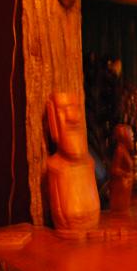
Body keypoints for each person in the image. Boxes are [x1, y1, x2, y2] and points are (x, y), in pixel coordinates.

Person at [46, 93, 100, 231]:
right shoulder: (55, 166)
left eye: (77, 109)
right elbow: (59, 212)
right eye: (63, 110)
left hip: (92, 228)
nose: (73, 117)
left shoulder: (89, 162)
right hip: (69, 232)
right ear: (53, 120)